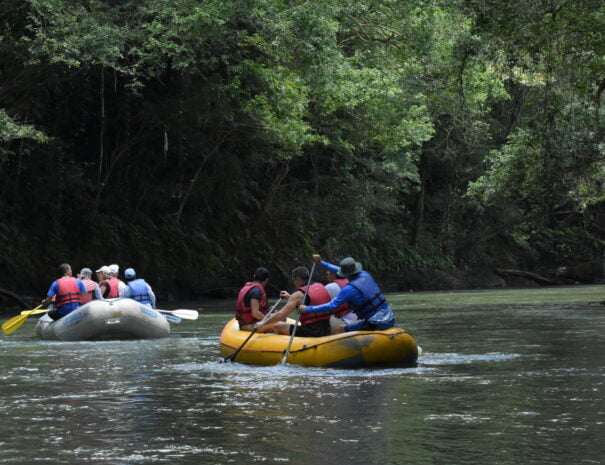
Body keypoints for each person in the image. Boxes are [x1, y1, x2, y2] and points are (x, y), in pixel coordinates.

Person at [299, 255, 395, 333]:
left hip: (376, 324)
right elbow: (337, 269)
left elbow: (331, 306)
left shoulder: (349, 289)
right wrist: (322, 263)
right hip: (390, 318)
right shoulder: (365, 274)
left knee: (340, 330)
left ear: (344, 274)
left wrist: (308, 308)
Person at [255, 266, 332, 337]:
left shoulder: (298, 294)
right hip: (327, 328)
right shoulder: (320, 286)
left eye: (294, 280)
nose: (294, 283)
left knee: (278, 325)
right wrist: (289, 297)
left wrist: (263, 323)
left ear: (298, 279)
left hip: (312, 332)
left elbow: (280, 315)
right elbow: (309, 301)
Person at [320, 257, 359, 332]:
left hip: (346, 322)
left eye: (328, 271)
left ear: (334, 273)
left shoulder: (329, 287)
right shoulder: (350, 282)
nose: (326, 273)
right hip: (359, 320)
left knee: (320, 317)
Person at [235, 267, 270, 331]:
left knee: (278, 316)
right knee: (279, 324)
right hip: (249, 325)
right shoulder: (256, 291)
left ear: (254, 276)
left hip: (246, 323)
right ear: (266, 280)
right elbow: (255, 313)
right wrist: (268, 320)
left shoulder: (248, 287)